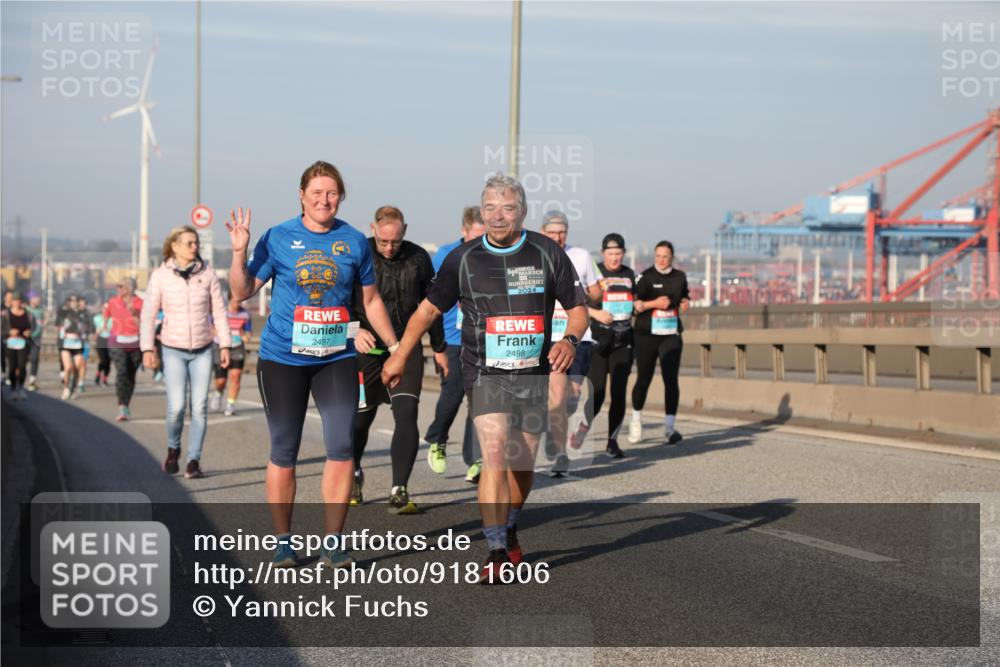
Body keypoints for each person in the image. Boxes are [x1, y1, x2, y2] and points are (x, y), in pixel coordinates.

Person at [382, 173, 587, 582]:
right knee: (494, 454)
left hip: (532, 373)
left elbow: (578, 307)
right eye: (490, 208)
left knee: (522, 462)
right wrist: (400, 356)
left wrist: (569, 339)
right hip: (484, 372)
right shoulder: (464, 258)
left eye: (507, 208)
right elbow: (426, 312)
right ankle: (495, 549)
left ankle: (509, 525)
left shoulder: (547, 253)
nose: (497, 216)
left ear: (522, 212)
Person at [227, 160, 398, 569]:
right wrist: (238, 253)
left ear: (341, 197)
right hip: (282, 358)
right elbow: (242, 292)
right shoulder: (279, 237)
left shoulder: (355, 241)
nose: (325, 200)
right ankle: (284, 541)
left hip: (336, 356)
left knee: (341, 447)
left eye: (332, 193)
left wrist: (396, 346)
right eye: (317, 192)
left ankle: (333, 543)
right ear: (301, 195)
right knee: (284, 449)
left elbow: (371, 301)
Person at [350, 205, 447, 513]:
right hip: (364, 349)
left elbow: (433, 306)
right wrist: (352, 332)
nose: (389, 247)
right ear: (373, 229)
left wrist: (440, 348)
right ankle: (353, 474)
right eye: (383, 241)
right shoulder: (358, 252)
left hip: (405, 349)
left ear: (404, 231)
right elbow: (339, 297)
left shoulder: (419, 258)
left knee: (406, 414)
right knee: (360, 421)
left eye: (395, 241)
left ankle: (399, 489)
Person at [140, 226, 231, 479]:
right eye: (189, 243)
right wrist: (147, 348)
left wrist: (225, 344)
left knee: (199, 407)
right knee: (177, 407)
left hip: (203, 348)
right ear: (175, 246)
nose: (194, 247)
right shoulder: (160, 276)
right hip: (172, 348)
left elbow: (220, 312)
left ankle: (193, 460)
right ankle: (173, 448)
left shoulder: (208, 274)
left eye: (196, 243)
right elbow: (148, 314)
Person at [421, 206, 486, 482]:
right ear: (464, 230)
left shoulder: (493, 256)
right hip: (454, 338)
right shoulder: (446, 254)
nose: (482, 241)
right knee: (453, 394)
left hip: (485, 339)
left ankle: (476, 460)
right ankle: (437, 440)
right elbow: (431, 297)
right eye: (477, 235)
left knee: (480, 402)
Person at [539, 210, 604, 474]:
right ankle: (561, 453)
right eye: (552, 232)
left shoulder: (581, 256)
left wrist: (583, 294)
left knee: (573, 395)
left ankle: (552, 428)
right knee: (557, 393)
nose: (557, 236)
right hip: (551, 336)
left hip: (578, 336)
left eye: (562, 232)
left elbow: (597, 294)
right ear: (543, 232)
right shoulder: (535, 256)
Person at [572, 233, 636, 457]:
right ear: (603, 254)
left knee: (619, 394)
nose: (615, 258)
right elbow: (576, 303)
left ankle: (612, 442)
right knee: (597, 393)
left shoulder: (629, 275)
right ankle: (583, 428)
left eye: (618, 254)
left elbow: (635, 302)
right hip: (599, 341)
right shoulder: (595, 272)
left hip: (623, 341)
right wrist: (597, 313)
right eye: (610, 254)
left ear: (623, 254)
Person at [629, 240, 690, 445]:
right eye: (658, 256)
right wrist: (654, 304)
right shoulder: (646, 277)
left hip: (670, 333)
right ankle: (636, 421)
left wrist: (685, 303)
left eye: (665, 256)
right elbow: (635, 306)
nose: (662, 260)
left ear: (671, 257)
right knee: (644, 379)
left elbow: (684, 297)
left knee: (671, 380)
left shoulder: (679, 277)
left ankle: (670, 427)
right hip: (646, 334)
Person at [105, 278, 143, 422]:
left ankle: (126, 404)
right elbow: (106, 315)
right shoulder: (113, 301)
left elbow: (144, 325)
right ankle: (121, 405)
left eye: (121, 286)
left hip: (136, 342)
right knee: (122, 371)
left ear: (130, 288)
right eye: (118, 286)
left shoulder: (141, 303)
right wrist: (102, 327)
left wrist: (135, 315)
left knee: (131, 374)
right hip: (116, 341)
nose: (119, 289)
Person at [209, 296, 252, 417]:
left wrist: (245, 336)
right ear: (229, 300)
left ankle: (230, 405)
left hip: (237, 347)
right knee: (221, 381)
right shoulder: (221, 312)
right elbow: (210, 326)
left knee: (235, 376)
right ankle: (218, 393)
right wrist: (216, 332)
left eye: (240, 301)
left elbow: (248, 334)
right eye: (235, 300)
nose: (237, 303)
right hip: (221, 347)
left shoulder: (245, 315)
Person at [57, 295, 92, 400]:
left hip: (78, 343)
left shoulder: (83, 313)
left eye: (76, 301)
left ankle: (73, 387)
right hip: (66, 343)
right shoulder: (64, 312)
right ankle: (66, 388)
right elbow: (58, 323)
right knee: (68, 367)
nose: (74, 302)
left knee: (77, 367)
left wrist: (85, 333)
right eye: (71, 301)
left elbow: (88, 326)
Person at [2, 293, 35, 400]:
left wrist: (28, 332)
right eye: (15, 301)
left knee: (22, 366)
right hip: (10, 343)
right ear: (12, 302)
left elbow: (33, 328)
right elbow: (2, 330)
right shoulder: (6, 315)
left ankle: (20, 387)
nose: (17, 303)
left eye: (19, 300)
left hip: (23, 344)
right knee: (12, 367)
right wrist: (9, 332)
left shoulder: (28, 315)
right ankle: (13, 388)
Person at [25, 292, 44, 391]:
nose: (38, 300)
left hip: (35, 339)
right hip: (24, 339)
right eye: (36, 297)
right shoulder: (25, 310)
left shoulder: (40, 312)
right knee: (22, 360)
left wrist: (33, 335)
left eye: (38, 298)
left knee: (34, 359)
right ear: (30, 299)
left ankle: (32, 381)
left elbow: (40, 326)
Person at [93, 301, 113, 386]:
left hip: (110, 341)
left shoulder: (113, 319)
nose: (106, 310)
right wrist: (102, 327)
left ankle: (105, 378)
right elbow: (97, 330)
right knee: (103, 360)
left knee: (108, 361)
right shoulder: (97, 318)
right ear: (102, 309)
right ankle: (98, 373)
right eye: (104, 308)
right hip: (101, 340)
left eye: (108, 308)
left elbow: (114, 330)